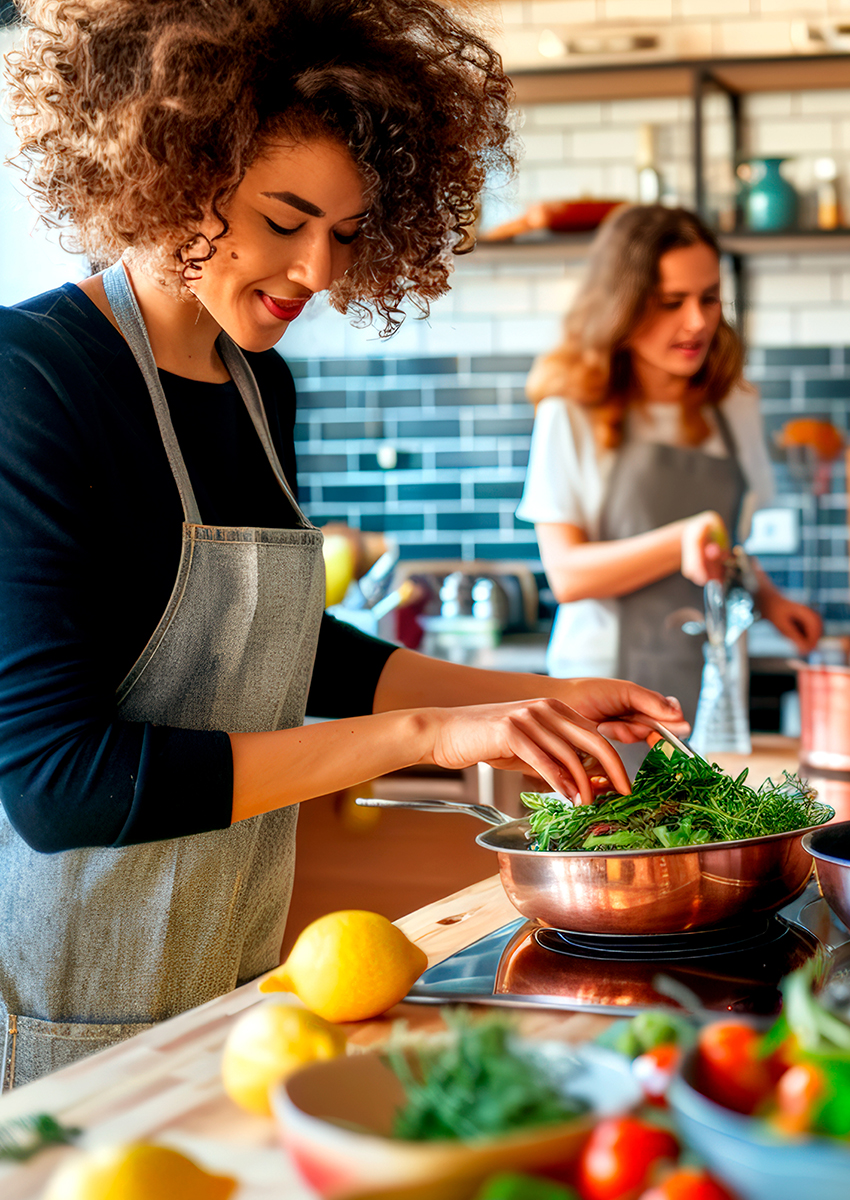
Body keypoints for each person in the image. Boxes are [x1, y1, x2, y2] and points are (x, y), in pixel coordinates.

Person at [0, 0, 683, 1087]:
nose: (319, 271)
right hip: (58, 1019)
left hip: (235, 988)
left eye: (348, 233)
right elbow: (60, 784)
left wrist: (528, 705)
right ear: (175, 172)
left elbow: (280, 645)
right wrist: (425, 732)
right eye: (284, 220)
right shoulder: (33, 379)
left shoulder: (258, 382)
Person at [517, 204, 821, 730]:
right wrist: (679, 538)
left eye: (708, 298)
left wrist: (769, 599)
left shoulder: (734, 406)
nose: (698, 321)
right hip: (601, 688)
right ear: (623, 305)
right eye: (671, 302)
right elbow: (566, 575)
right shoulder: (570, 410)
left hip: (713, 680)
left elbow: (728, 547)